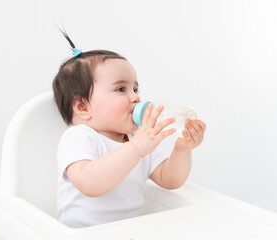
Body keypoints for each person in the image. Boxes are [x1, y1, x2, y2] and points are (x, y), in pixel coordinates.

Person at [52, 30, 206, 228]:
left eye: (135, 89)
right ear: (83, 107)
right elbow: (89, 183)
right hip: (81, 234)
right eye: (120, 89)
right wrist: (136, 148)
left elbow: (170, 180)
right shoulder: (79, 138)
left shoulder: (137, 138)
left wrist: (182, 150)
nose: (135, 97)